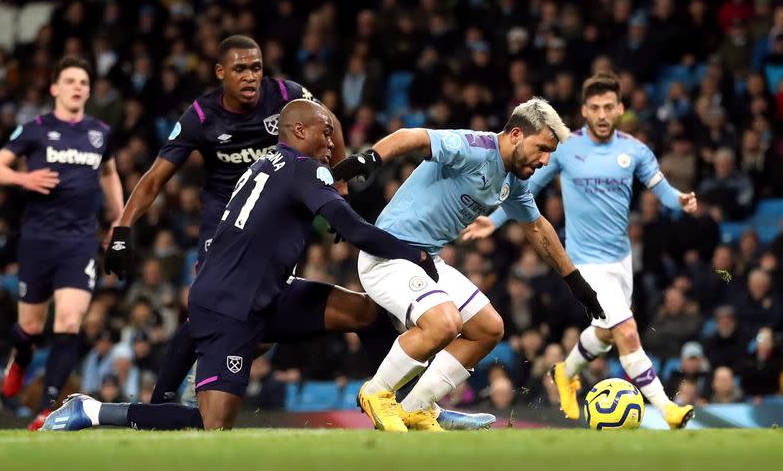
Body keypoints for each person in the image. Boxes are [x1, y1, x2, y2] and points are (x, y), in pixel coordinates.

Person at [41, 99, 439, 431]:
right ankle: (92, 411)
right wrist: (415, 255)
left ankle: (408, 402)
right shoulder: (305, 168)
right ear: (298, 131)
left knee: (366, 313)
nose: (333, 143)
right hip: (233, 307)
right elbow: (352, 227)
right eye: (325, 132)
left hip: (258, 292)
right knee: (214, 424)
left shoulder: (266, 164)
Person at [331, 97, 605, 431]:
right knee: (444, 323)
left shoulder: (513, 181)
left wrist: (575, 282)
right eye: (543, 148)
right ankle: (376, 393)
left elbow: (536, 227)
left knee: (488, 329)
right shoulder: (476, 148)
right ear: (516, 134)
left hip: (424, 260)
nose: (546, 161)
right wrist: (371, 158)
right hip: (387, 256)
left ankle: (417, 408)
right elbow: (414, 136)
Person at [103, 34, 347, 406]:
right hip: (226, 222)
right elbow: (154, 178)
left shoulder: (286, 95)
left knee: (260, 324)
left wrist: (339, 188)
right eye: (240, 69)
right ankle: (168, 396)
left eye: (256, 68)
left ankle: (200, 378)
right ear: (221, 72)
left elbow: (330, 123)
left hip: (276, 221)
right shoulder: (201, 117)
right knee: (215, 306)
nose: (250, 77)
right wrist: (122, 229)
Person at [463, 73, 698, 429]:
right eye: (595, 107)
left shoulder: (634, 150)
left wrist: (679, 199)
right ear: (584, 110)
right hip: (584, 260)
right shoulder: (566, 147)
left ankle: (566, 372)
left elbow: (661, 189)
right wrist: (492, 222)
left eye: (609, 107)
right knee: (627, 331)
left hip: (621, 259)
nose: (602, 114)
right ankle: (667, 408)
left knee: (605, 332)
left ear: (620, 109)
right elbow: (527, 189)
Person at [0, 57, 123, 430]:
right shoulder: (36, 129)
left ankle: (48, 408)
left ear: (88, 90)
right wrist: (24, 180)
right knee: (30, 326)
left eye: (83, 81)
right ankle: (20, 359)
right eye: (70, 81)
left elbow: (109, 174)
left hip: (79, 242)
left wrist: (119, 219)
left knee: (69, 322)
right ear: (55, 88)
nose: (78, 86)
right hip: (37, 240)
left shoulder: (99, 133)